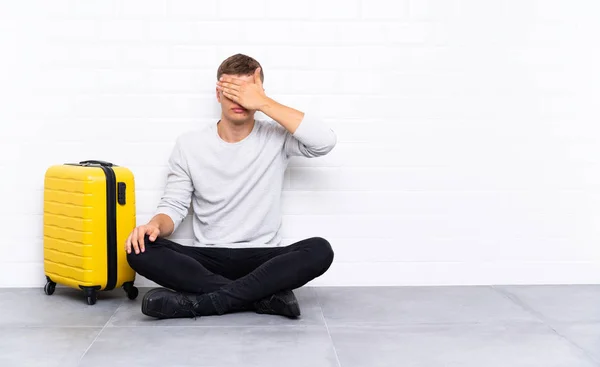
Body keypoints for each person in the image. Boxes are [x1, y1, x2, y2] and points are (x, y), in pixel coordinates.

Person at [124, 54, 337, 320]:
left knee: (319, 249)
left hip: (264, 258)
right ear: (218, 93)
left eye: (246, 93)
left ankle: (201, 304)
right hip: (208, 256)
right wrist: (154, 226)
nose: (240, 101)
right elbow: (173, 206)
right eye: (232, 92)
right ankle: (263, 298)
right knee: (140, 248)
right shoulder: (190, 144)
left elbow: (324, 142)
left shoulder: (276, 137)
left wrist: (263, 103)